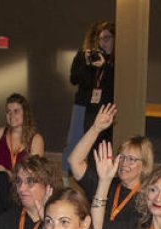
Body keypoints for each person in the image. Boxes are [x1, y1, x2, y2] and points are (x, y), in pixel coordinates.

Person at [70, 104, 154, 229]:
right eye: (121, 157)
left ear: (144, 166)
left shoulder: (146, 201)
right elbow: (74, 162)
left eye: (132, 159)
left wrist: (104, 182)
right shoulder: (108, 182)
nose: (124, 163)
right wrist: (95, 129)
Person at [0, 94, 45, 227]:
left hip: (18, 187)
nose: (11, 115)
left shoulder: (36, 139)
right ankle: (15, 223)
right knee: (0, 177)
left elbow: (34, 174)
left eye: (16, 111)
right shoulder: (0, 133)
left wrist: (9, 173)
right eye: (8, 112)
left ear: (25, 113)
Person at [64, 20, 115, 169]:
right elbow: (74, 79)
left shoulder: (112, 61)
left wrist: (104, 65)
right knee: (75, 140)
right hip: (84, 104)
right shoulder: (85, 56)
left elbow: (111, 84)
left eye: (106, 38)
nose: (101, 43)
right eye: (99, 39)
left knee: (99, 143)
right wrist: (88, 65)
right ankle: (68, 172)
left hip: (103, 106)